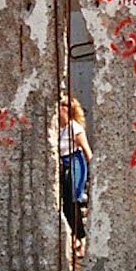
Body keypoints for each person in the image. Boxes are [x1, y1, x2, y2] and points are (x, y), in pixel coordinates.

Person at [58, 92, 93, 256]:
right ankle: (74, 237)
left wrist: (91, 173)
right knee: (65, 204)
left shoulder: (74, 128)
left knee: (74, 201)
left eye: (62, 105)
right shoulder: (58, 129)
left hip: (75, 162)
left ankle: (81, 238)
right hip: (63, 164)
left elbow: (86, 150)